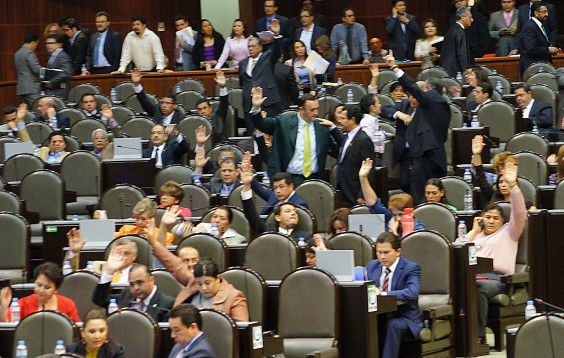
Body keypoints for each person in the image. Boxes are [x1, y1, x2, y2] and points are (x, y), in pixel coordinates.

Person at [457, 161, 527, 344]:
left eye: (496, 218)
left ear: (503, 221)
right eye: (487, 217)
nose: (491, 221)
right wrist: (473, 231)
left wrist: (513, 186)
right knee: (462, 287)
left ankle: (478, 338)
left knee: (477, 290)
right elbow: (457, 250)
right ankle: (459, 338)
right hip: (474, 276)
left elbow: (519, 214)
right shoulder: (477, 235)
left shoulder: (509, 232)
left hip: (497, 279)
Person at [384, 51, 450, 204]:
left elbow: (413, 88)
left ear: (429, 90)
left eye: (424, 90)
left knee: (423, 198)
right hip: (427, 156)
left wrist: (394, 67)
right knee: (428, 197)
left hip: (427, 157)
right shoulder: (435, 106)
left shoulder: (435, 100)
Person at [250, 91, 339, 185]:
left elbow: (338, 152)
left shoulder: (322, 127)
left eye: (317, 109)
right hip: (288, 179)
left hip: (315, 179)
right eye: (312, 110)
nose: (316, 113)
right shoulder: (283, 122)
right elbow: (262, 125)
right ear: (301, 110)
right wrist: (256, 108)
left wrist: (334, 129)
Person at [366, 232, 424, 358]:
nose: (382, 257)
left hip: (404, 317)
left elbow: (412, 292)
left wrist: (383, 293)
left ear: (398, 252)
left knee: (393, 324)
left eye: (386, 252)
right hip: (378, 316)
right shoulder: (372, 266)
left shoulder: (411, 268)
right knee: (363, 323)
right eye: (379, 252)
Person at [240, 161, 312, 242]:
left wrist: (322, 250)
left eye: (295, 211)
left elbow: (322, 254)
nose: (293, 213)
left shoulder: (306, 237)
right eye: (288, 211)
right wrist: (246, 185)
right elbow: (251, 214)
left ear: (291, 186)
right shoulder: (269, 233)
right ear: (277, 217)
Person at [360, 159, 425, 238]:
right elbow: (373, 204)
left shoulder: (418, 230)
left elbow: (406, 248)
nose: (397, 219)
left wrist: (393, 233)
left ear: (411, 213)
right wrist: (363, 178)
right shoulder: (391, 219)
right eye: (394, 215)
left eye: (401, 214)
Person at [92, 263, 174, 322]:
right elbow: (99, 300)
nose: (135, 288)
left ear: (151, 280)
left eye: (140, 283)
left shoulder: (166, 304)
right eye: (131, 284)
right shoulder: (127, 294)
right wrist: (109, 273)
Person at [0, 262, 81, 322]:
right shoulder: (24, 303)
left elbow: (76, 330)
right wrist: (4, 307)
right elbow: (7, 324)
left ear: (56, 289)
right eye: (39, 285)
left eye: (47, 287)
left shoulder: (68, 304)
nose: (41, 290)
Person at [331, 104, 376, 206]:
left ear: (352, 120)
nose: (340, 121)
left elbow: (369, 169)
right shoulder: (347, 136)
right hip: (343, 190)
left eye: (343, 118)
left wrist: (362, 195)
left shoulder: (364, 140)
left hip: (355, 193)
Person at [239, 29, 283, 132]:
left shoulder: (267, 57)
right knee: (252, 133)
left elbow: (277, 51)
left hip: (267, 101)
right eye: (249, 46)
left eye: (253, 46)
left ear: (260, 47)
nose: (250, 49)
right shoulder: (243, 63)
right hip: (249, 103)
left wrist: (276, 35)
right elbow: (242, 82)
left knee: (268, 132)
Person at [184, 258, 249, 322]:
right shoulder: (192, 292)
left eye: (207, 283)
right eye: (199, 284)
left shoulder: (234, 297)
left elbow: (242, 328)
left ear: (218, 278)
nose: (204, 288)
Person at [518, 2, 559, 77]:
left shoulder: (538, 25)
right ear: (536, 13)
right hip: (533, 69)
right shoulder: (529, 27)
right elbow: (532, 49)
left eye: (547, 11)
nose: (547, 14)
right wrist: (548, 50)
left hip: (540, 67)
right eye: (544, 12)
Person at [175, 205, 246, 245]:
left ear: (229, 224)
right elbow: (175, 232)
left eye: (222, 218)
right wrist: (183, 226)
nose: (217, 220)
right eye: (215, 217)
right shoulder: (202, 227)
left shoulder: (237, 239)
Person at [440, 7, 474, 77]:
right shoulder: (460, 31)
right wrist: (465, 72)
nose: (472, 20)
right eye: (470, 17)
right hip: (455, 71)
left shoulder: (451, 30)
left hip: (445, 70)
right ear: (462, 17)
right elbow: (462, 53)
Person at [14, 34, 41, 107]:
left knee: (27, 113)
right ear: (32, 42)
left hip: (23, 87)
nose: (36, 47)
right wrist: (47, 73)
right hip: (31, 87)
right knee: (37, 108)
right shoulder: (29, 52)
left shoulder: (17, 53)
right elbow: (36, 69)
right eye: (36, 44)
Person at [43, 34, 72, 101]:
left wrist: (51, 82)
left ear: (59, 44)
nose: (48, 45)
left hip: (59, 91)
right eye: (47, 43)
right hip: (53, 91)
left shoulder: (62, 56)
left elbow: (66, 72)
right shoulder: (52, 55)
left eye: (51, 43)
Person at [359, 92, 386, 156]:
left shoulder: (374, 120)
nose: (380, 105)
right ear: (372, 107)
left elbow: (377, 134)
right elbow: (367, 144)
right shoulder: (366, 123)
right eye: (378, 103)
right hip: (373, 156)